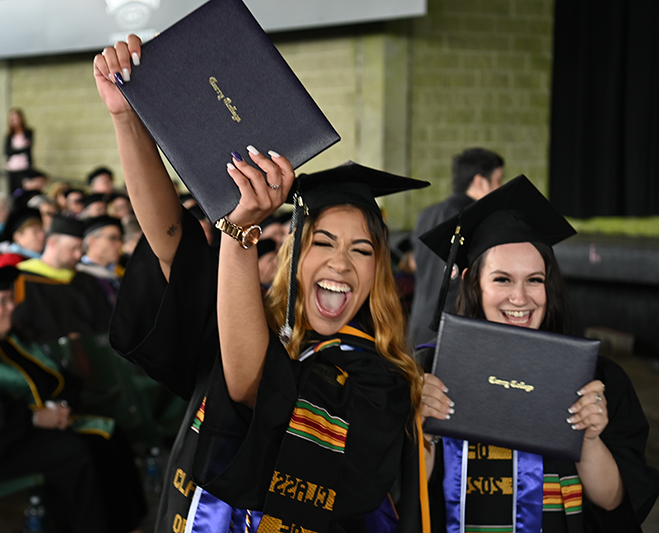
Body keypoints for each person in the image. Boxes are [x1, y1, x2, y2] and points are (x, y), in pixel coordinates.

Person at [95, 36, 430, 533]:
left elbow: (253, 386)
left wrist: (238, 234)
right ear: (294, 258)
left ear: (378, 275)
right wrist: (127, 117)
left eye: (362, 250)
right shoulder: (242, 317)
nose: (341, 263)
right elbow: (172, 244)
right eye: (324, 243)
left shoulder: (380, 383)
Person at [417, 176, 659, 532]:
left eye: (534, 279)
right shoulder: (431, 374)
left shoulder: (597, 380)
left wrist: (589, 439)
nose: (520, 298)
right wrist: (424, 431)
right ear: (472, 283)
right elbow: (403, 497)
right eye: (502, 279)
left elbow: (613, 502)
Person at [0, 267, 146, 533]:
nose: (11, 307)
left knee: (108, 435)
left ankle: (126, 526)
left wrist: (62, 407)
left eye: (10, 299)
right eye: (1, 301)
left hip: (25, 432)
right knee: (74, 453)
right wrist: (34, 417)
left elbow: (63, 378)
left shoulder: (11, 341)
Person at [408, 148, 504, 347]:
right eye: (498, 181)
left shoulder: (426, 215)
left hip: (417, 329)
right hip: (455, 332)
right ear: (479, 181)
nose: (500, 189)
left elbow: (416, 264)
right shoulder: (480, 220)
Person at [11, 215, 113, 344]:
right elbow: (20, 325)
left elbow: (104, 323)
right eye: (72, 248)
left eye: (80, 249)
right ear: (52, 243)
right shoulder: (23, 279)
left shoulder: (87, 281)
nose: (78, 255)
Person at [5, 108, 34, 192]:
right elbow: (7, 151)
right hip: (13, 167)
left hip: (24, 166)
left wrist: (15, 150)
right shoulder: (9, 135)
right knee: (13, 191)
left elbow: (27, 149)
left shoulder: (28, 132)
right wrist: (21, 148)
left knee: (24, 189)